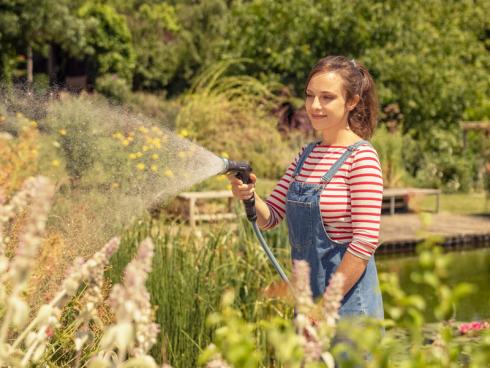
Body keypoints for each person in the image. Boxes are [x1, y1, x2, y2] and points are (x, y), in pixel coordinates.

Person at [227, 55, 384, 320]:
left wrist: (324, 307)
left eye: (327, 97)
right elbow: (271, 217)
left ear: (352, 101)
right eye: (310, 96)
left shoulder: (362, 157)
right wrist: (249, 196)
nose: (315, 105)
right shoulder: (306, 154)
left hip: (348, 309)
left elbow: (364, 243)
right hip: (309, 305)